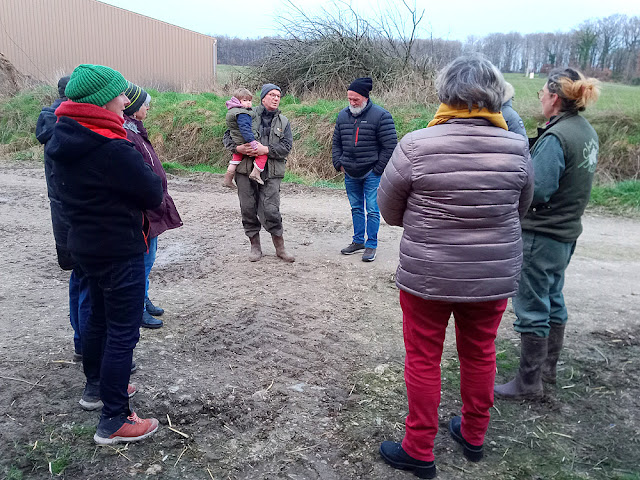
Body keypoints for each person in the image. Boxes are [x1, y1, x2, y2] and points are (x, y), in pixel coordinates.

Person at [377, 55, 534, 478]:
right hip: (492, 275)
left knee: (424, 357)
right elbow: (522, 209)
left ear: (445, 93)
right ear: (495, 95)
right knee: (481, 353)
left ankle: (419, 449)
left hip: (427, 276)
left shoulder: (416, 144)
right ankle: (474, 435)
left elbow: (388, 211)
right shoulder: (518, 147)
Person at [46, 64, 163, 445]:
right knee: (122, 332)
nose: (126, 100)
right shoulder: (111, 146)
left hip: (85, 245)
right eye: (120, 94)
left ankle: (95, 389)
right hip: (118, 248)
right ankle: (115, 418)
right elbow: (151, 192)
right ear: (101, 100)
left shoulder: (63, 136)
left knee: (96, 318)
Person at [494, 68, 600, 400]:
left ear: (554, 97)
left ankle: (528, 383)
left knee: (532, 305)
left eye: (542, 91)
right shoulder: (584, 131)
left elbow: (537, 190)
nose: (539, 96)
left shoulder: (557, 138)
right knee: (554, 298)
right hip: (566, 233)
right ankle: (547, 369)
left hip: (541, 235)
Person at [36, 75, 90, 360]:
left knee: (79, 280)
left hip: (62, 212)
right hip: (76, 216)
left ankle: (81, 342)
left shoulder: (53, 124)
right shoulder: (70, 127)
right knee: (88, 283)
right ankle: (86, 346)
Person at [123, 83, 183, 329]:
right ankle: (136, 308)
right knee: (143, 261)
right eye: (145, 104)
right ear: (135, 108)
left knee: (149, 259)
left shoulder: (137, 131)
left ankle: (143, 298)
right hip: (144, 212)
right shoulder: (129, 135)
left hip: (152, 207)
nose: (148, 108)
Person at [223, 83, 295, 263]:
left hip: (271, 172)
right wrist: (238, 147)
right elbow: (227, 136)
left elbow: (286, 147)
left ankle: (280, 247)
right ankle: (255, 246)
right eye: (272, 95)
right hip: (245, 170)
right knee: (247, 208)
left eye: (278, 95)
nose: (276, 98)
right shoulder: (245, 112)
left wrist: (266, 150)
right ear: (263, 98)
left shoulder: (283, 122)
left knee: (271, 209)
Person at [332, 77, 398, 262]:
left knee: (372, 209)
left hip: (372, 173)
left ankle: (371, 245)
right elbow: (336, 142)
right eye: (349, 99)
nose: (352, 103)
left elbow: (390, 146)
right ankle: (358, 241)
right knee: (356, 208)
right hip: (350, 172)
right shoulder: (342, 115)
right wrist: (339, 163)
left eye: (356, 99)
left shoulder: (381, 116)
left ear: (365, 98)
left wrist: (378, 169)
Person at [223, 88, 268, 187]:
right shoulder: (243, 113)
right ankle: (256, 173)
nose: (248, 103)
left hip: (237, 141)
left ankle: (228, 178)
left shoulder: (232, 111)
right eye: (245, 100)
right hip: (246, 141)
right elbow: (245, 129)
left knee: (235, 160)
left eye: (249, 100)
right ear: (237, 101)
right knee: (262, 155)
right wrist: (251, 141)